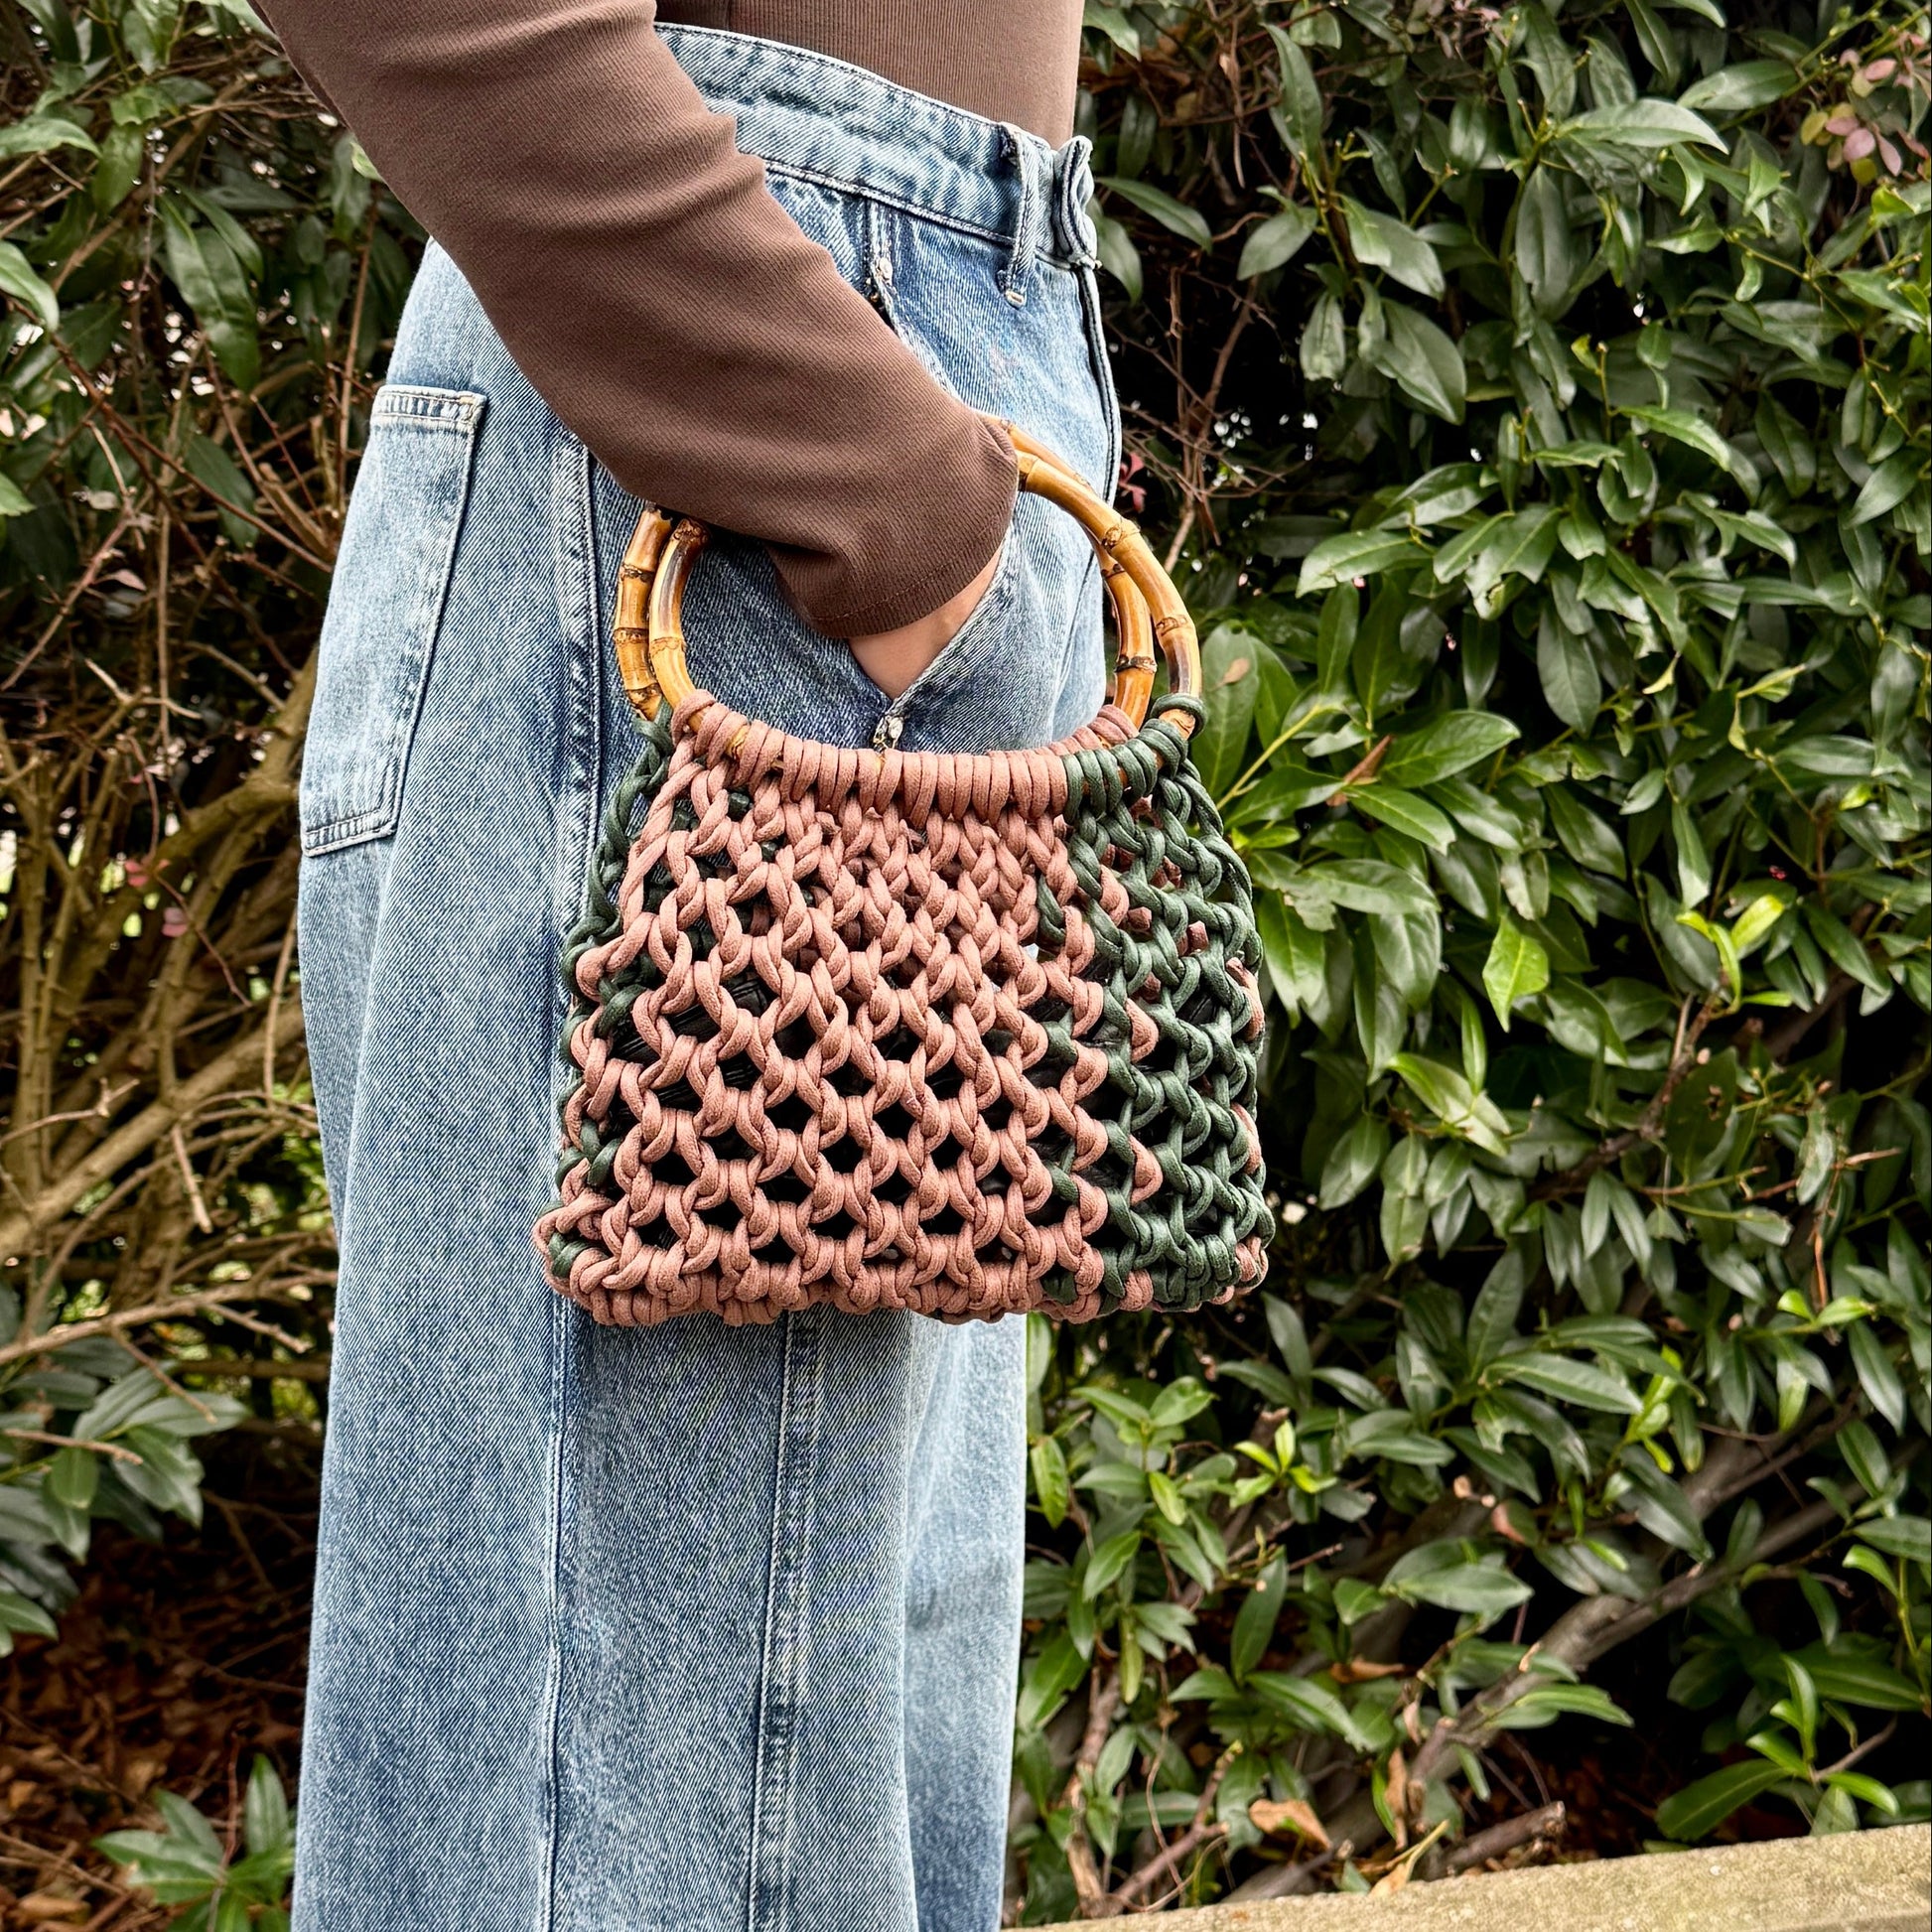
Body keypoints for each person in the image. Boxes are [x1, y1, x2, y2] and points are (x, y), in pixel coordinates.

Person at [265, 2, 1118, 1925]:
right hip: (723, 472)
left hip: (829, 415)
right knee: (640, 1857)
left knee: (775, 1833)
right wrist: (878, 491)